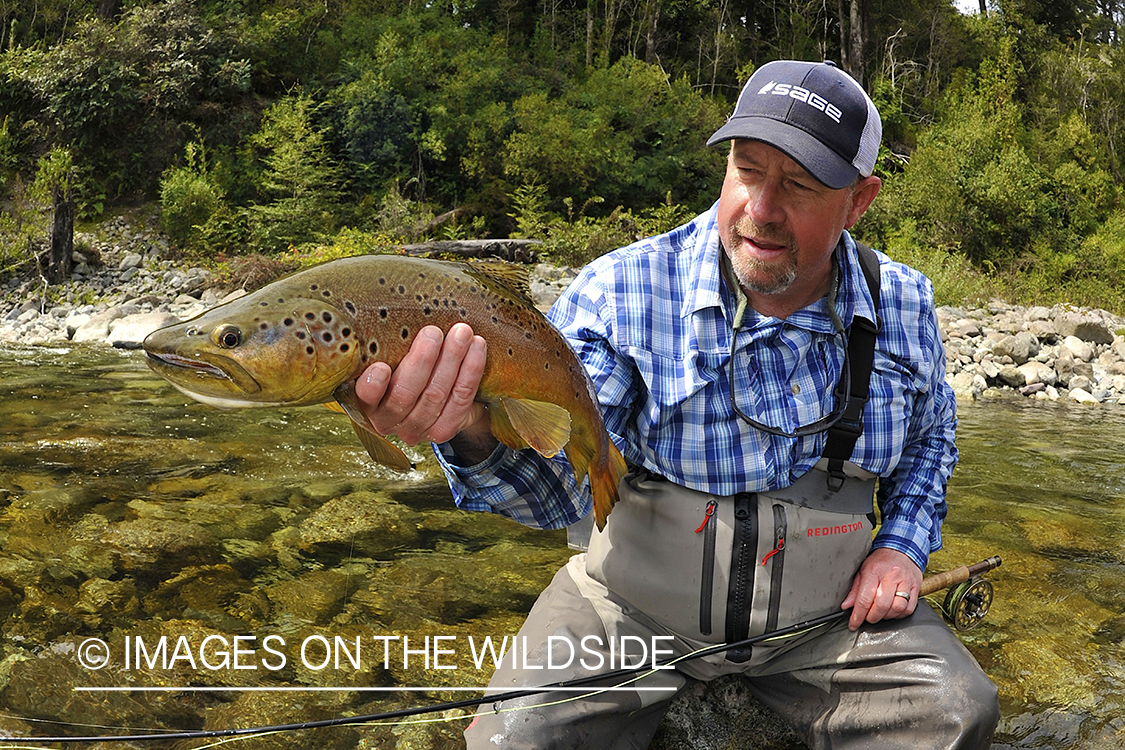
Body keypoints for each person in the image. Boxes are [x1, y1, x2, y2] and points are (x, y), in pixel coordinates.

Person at [356, 60, 999, 749]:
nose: (760, 208)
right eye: (746, 170)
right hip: (627, 613)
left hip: (823, 627)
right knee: (509, 742)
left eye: (798, 185)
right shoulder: (620, 292)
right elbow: (551, 498)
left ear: (858, 201)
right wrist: (471, 433)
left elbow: (930, 440)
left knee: (958, 713)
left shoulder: (901, 301)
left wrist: (901, 547)